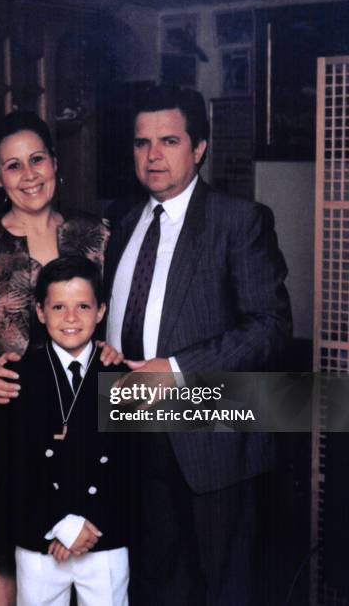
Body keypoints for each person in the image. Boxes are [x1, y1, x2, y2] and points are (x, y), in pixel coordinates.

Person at [104, 85, 292, 605]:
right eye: (143, 143)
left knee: (223, 587)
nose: (154, 156)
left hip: (213, 438)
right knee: (156, 582)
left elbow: (271, 327)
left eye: (169, 140)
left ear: (199, 147)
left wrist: (180, 369)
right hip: (131, 430)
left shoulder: (239, 221)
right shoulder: (121, 221)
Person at [0, 110, 119, 606]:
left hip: (82, 422)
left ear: (56, 162)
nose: (29, 174)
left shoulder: (95, 236)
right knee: (5, 549)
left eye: (37, 159)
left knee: (90, 547)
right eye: (13, 166)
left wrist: (111, 348)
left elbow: (109, 313)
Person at [6, 256, 134, 606]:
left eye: (83, 306)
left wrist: (85, 530)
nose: (72, 318)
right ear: (40, 311)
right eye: (59, 306)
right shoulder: (18, 376)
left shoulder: (118, 374)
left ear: (102, 311)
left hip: (102, 535)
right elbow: (16, 465)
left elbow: (129, 465)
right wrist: (62, 527)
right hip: (41, 536)